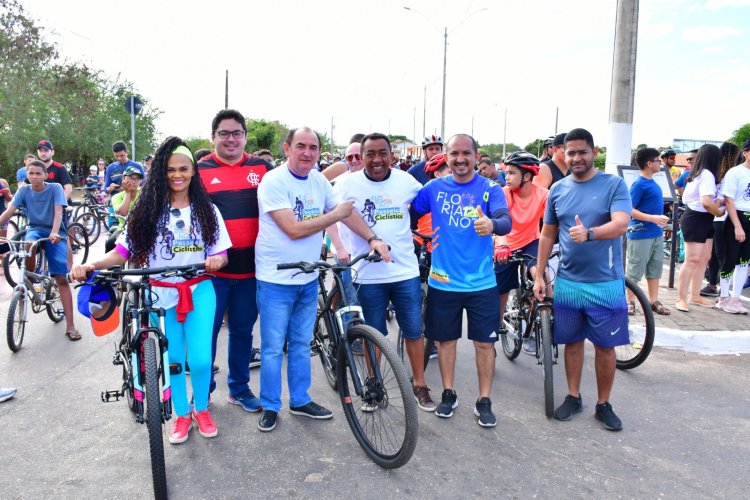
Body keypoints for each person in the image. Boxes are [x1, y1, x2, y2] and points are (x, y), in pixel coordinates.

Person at [71, 137, 231, 445]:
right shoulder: (146, 211)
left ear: (193, 171)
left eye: (183, 169)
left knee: (199, 360)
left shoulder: (207, 210)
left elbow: (222, 254)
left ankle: (202, 408)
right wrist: (91, 265)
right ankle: (182, 415)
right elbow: (121, 251)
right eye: (170, 169)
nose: (177, 175)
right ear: (161, 172)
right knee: (172, 361)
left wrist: (215, 259)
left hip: (199, 291)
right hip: (160, 296)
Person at [254, 127, 389, 432]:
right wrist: (336, 215)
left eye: (313, 147)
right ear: (287, 148)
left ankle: (300, 400)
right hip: (276, 277)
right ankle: (271, 405)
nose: (307, 153)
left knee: (302, 343)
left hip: (308, 275)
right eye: (300, 146)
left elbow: (347, 213)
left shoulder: (318, 181)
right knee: (274, 346)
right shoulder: (273, 181)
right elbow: (293, 228)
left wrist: (372, 238)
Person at [533, 128, 632, 432]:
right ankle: (573, 396)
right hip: (569, 283)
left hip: (606, 284)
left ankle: (603, 404)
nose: (576, 157)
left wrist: (591, 233)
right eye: (570, 152)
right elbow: (548, 234)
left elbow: (621, 224)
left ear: (594, 152)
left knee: (605, 346)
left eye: (582, 152)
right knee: (572, 344)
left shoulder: (613, 185)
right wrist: (540, 273)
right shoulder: (558, 190)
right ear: (562, 153)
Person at [412, 133, 511, 428]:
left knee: (484, 344)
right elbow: (411, 214)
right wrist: (418, 238)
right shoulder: (433, 188)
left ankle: (484, 400)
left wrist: (492, 224)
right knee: (445, 342)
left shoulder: (491, 188)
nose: (460, 159)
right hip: (443, 282)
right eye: (454, 153)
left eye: (466, 153)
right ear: (447, 156)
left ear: (476, 156)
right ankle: (448, 393)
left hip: (481, 283)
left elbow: (506, 221)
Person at [332, 133, 435, 412]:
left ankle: (420, 384)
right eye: (370, 154)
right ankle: (374, 385)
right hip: (367, 274)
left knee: (414, 330)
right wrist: (371, 238)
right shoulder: (348, 184)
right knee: (372, 334)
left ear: (392, 156)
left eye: (382, 153)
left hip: (404, 272)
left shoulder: (406, 181)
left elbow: (430, 203)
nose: (376, 159)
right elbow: (343, 213)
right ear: (361, 156)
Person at [196, 109, 274, 410]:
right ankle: (203, 391)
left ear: (245, 137)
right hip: (210, 274)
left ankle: (239, 389)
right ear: (213, 136)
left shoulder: (263, 169)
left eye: (237, 133)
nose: (231, 139)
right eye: (224, 133)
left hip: (252, 271)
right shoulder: (197, 171)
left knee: (243, 331)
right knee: (206, 332)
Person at [0, 160, 79, 340]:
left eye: (38, 173)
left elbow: (58, 212)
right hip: (34, 229)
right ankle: (29, 276)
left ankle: (71, 325)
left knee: (61, 278)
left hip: (56, 232)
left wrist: (54, 232)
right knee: (29, 244)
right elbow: (8, 212)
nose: (34, 176)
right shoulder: (23, 191)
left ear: (45, 175)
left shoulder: (55, 188)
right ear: (26, 175)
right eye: (31, 173)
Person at [492, 151, 548, 355]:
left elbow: (551, 224)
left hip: (532, 242)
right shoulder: (505, 193)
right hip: (505, 244)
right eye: (506, 173)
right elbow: (499, 221)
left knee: (542, 275)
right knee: (500, 291)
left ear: (526, 176)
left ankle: (546, 323)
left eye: (511, 173)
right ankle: (495, 330)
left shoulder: (543, 194)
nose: (506, 177)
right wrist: (502, 244)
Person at [675, 144, 725, 312]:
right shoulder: (706, 175)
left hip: (704, 219)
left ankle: (695, 295)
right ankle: (681, 298)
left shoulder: (700, 174)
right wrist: (718, 211)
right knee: (692, 260)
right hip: (696, 219)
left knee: (704, 258)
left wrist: (716, 204)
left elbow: (707, 199)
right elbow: (705, 201)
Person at [625, 148, 671, 315]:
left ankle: (653, 300)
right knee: (635, 269)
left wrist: (657, 219)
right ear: (649, 163)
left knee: (655, 268)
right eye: (658, 160)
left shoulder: (652, 183)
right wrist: (653, 218)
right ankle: (630, 300)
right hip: (641, 233)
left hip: (655, 233)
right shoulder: (639, 184)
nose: (661, 163)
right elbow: (628, 209)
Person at [715, 139, 750, 314]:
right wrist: (737, 225)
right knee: (730, 260)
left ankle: (736, 298)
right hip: (737, 217)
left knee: (745, 261)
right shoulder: (735, 173)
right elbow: (729, 200)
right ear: (745, 152)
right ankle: (723, 297)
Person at [702, 144, 737, 298]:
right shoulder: (733, 173)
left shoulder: (716, 174)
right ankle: (724, 288)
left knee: (715, 254)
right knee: (725, 254)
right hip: (726, 217)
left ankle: (712, 284)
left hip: (715, 218)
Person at [104, 166, 142, 253]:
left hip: (142, 228)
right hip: (124, 229)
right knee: (110, 243)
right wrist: (128, 192)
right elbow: (123, 213)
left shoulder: (144, 193)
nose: (134, 181)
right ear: (123, 180)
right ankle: (113, 266)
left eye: (137, 179)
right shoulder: (117, 197)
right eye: (131, 178)